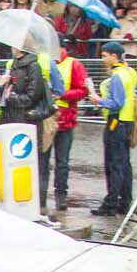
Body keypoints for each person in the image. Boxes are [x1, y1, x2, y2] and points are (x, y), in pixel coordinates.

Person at [93, 40, 137, 217]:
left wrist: (99, 101)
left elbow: (116, 103)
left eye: (104, 56)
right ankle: (125, 200)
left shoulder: (117, 76)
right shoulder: (130, 71)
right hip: (127, 122)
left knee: (114, 164)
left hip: (116, 122)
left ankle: (111, 202)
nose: (103, 59)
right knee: (125, 164)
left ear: (114, 56)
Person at [46, 41, 88, 208]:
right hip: (48, 119)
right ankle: (41, 195)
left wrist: (62, 95)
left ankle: (60, 193)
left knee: (62, 161)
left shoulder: (74, 65)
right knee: (43, 160)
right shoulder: (44, 62)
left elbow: (82, 90)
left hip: (65, 121)